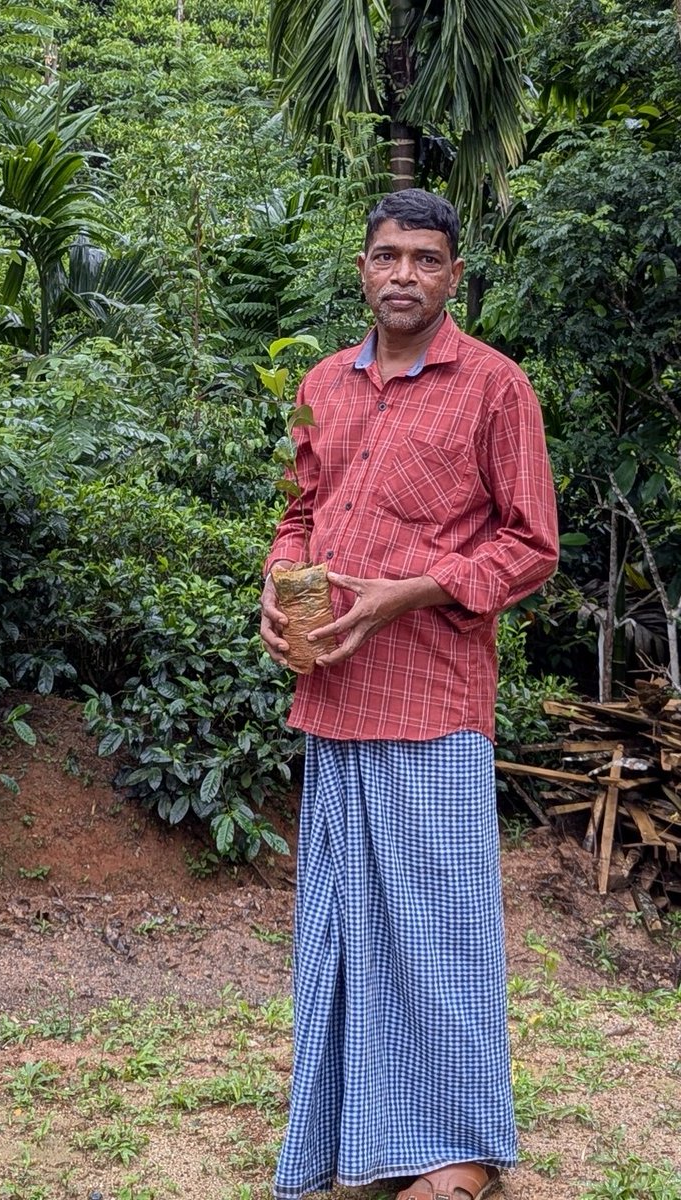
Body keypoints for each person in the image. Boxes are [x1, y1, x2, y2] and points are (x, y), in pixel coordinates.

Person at [259, 188, 558, 1200]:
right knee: (343, 931)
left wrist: (410, 594)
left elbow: (529, 546)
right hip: (332, 698)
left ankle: (458, 1151)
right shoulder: (323, 385)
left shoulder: (494, 389)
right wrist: (276, 584)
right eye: (388, 256)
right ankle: (362, 1138)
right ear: (362, 267)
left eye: (425, 260)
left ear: (453, 277)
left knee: (440, 930)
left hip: (430, 698)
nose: (403, 275)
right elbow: (301, 514)